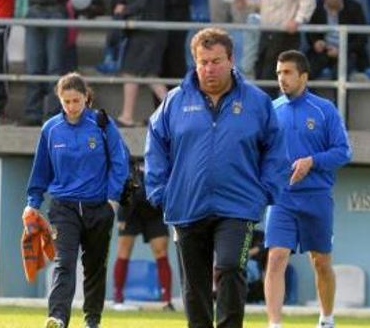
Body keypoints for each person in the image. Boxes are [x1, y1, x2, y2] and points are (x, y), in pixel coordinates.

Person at [145, 27, 288, 328]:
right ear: (194, 62)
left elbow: (275, 150)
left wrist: (265, 192)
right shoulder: (174, 101)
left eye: (216, 61)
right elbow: (155, 143)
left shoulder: (257, 102)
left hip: (238, 205)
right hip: (186, 204)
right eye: (203, 61)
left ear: (231, 59)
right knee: (193, 286)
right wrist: (160, 191)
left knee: (229, 267)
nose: (209, 68)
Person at [25, 72, 130, 328]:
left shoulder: (102, 124)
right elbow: (41, 169)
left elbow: (120, 161)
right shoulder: (51, 129)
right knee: (64, 263)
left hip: (99, 208)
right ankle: (58, 318)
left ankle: (92, 320)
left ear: (86, 98)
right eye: (66, 102)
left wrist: (113, 200)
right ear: (60, 100)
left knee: (94, 267)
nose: (71, 107)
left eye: (76, 101)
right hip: (63, 208)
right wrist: (32, 202)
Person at [265, 50, 351, 328]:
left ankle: (326, 319)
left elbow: (343, 152)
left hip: (317, 197)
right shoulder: (271, 110)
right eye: (278, 73)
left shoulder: (324, 110)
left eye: (287, 72)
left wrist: (312, 161)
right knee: (276, 257)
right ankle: (274, 324)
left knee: (321, 262)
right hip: (282, 198)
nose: (282, 79)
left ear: (303, 76)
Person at [113, 0, 168, 127]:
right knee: (149, 75)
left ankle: (127, 116)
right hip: (156, 33)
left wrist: (124, 9)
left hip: (142, 34)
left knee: (133, 72)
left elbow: (140, 2)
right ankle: (175, 111)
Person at [111, 159, 174, 312]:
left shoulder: (159, 147)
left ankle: (167, 300)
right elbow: (121, 179)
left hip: (154, 209)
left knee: (161, 251)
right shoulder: (126, 154)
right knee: (123, 251)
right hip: (130, 208)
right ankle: (118, 297)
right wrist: (122, 215)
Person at [305, 0, 370, 79]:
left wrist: (341, 50)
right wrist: (316, 42)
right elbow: (310, 32)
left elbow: (362, 39)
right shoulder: (316, 7)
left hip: (348, 51)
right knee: (307, 74)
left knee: (339, 76)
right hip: (324, 51)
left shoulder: (355, 7)